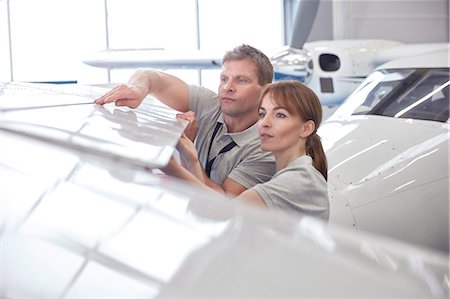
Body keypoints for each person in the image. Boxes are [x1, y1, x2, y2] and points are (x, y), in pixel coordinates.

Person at [95, 44, 276, 196]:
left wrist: (187, 154)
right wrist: (138, 88)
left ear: (266, 91)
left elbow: (222, 205)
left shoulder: (266, 148)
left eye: (241, 81)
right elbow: (152, 77)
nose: (228, 87)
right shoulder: (209, 104)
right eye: (224, 79)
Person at [175, 80, 329, 220]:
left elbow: (221, 212)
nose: (264, 123)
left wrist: (170, 165)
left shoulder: (298, 180)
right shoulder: (293, 174)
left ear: (306, 128)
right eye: (262, 114)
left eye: (280, 115)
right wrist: (190, 158)